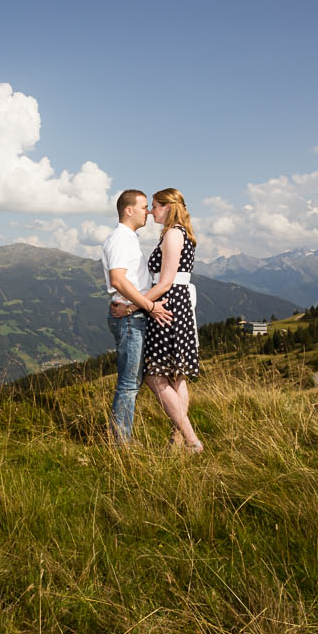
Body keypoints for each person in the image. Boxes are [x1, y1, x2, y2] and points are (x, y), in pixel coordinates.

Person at [114, 187, 203, 453]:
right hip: (179, 305)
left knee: (155, 377)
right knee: (177, 376)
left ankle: (190, 439)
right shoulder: (179, 233)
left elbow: (165, 283)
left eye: (155, 206)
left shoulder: (173, 234)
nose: (151, 211)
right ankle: (179, 440)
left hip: (167, 306)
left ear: (168, 206)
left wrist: (132, 307)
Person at [100, 189, 171, 444]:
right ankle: (120, 443)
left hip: (132, 314)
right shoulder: (120, 239)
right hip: (130, 319)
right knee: (129, 384)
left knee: (132, 382)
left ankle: (121, 437)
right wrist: (148, 306)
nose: (148, 212)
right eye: (144, 207)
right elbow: (118, 280)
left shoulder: (129, 238)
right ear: (128, 210)